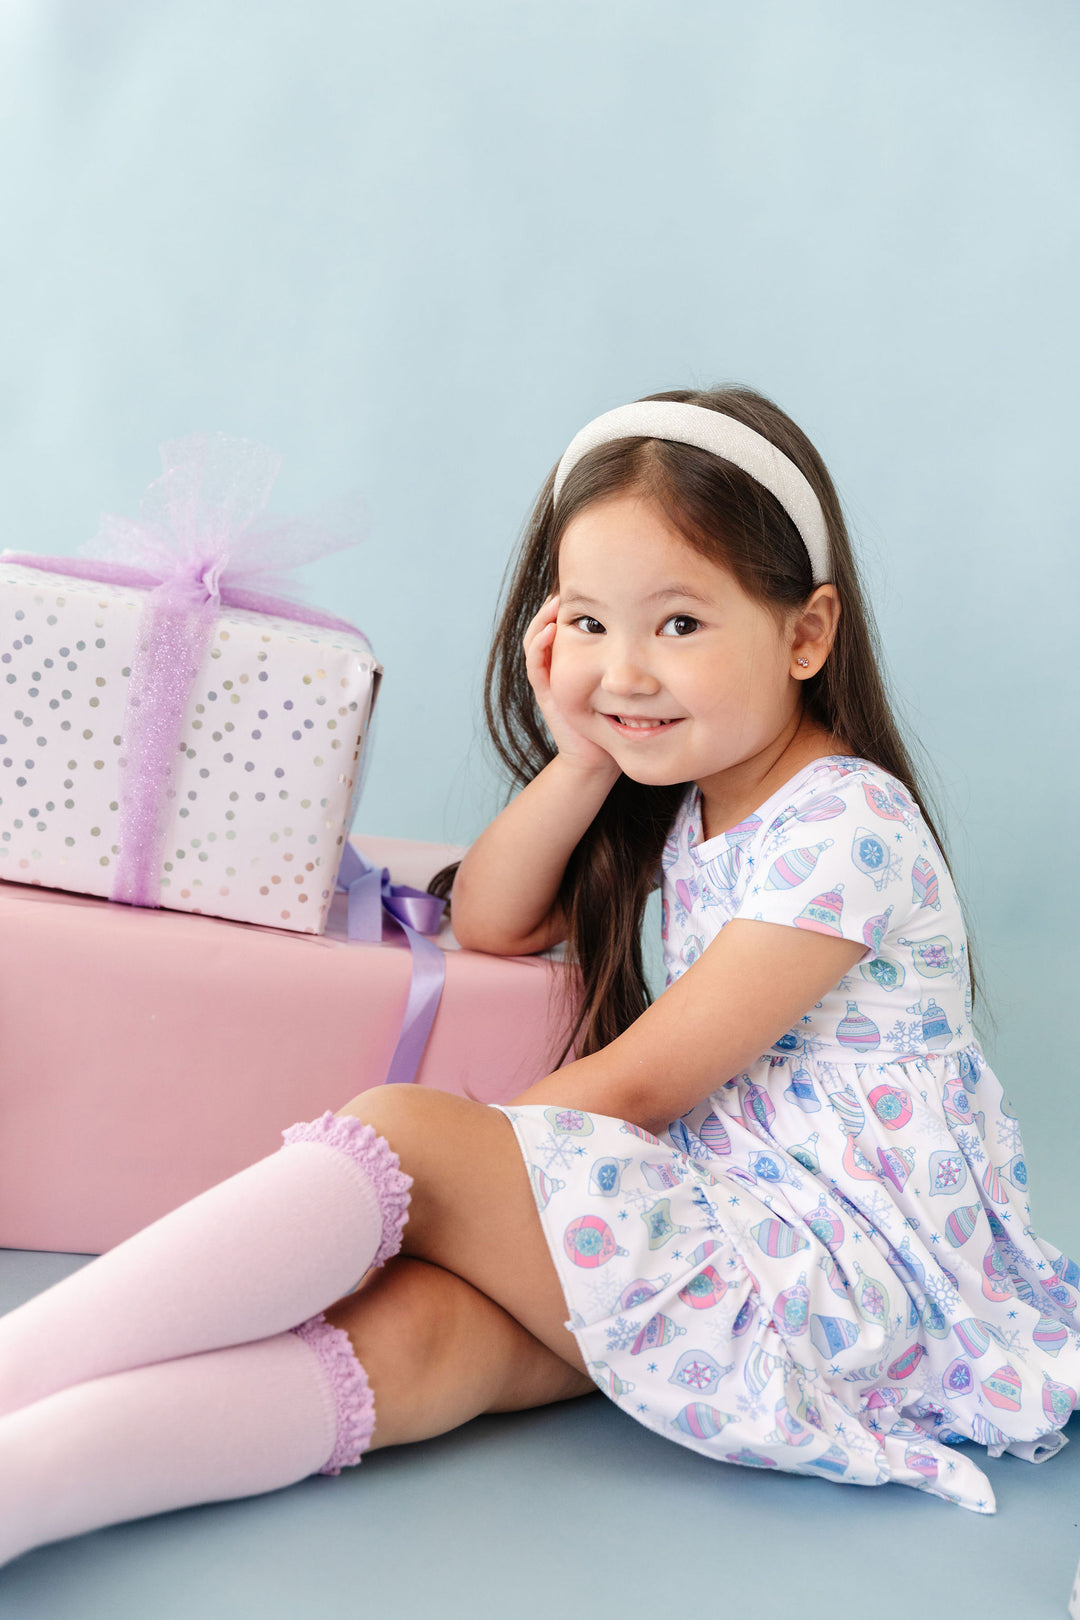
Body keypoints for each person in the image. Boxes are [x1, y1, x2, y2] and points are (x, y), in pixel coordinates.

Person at [1, 388, 1077, 1567]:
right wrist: (580, 757)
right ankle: (25, 1492)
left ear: (806, 635)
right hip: (738, 1223)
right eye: (589, 624)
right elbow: (496, 920)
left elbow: (642, 1087)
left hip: (834, 1269)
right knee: (422, 1346)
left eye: (679, 625)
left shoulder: (847, 824)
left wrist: (442, 1184)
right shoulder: (697, 802)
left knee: (401, 1134)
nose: (627, 670)